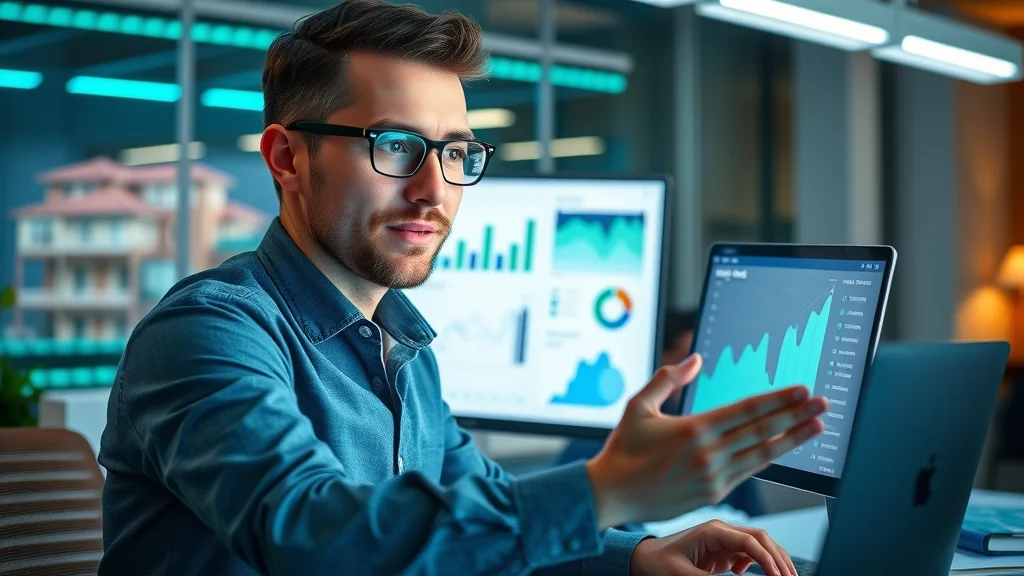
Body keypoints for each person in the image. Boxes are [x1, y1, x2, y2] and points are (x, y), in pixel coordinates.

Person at [96, 2, 828, 575]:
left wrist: (633, 556)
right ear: (288, 157)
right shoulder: (206, 332)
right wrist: (605, 489)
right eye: (395, 147)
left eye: (455, 153)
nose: (433, 190)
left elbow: (474, 525)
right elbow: (313, 541)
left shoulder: (403, 348)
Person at [557, 308, 766, 519]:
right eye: (691, 361)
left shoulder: (719, 439)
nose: (705, 375)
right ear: (663, 362)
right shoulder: (602, 438)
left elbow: (756, 519)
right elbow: (564, 516)